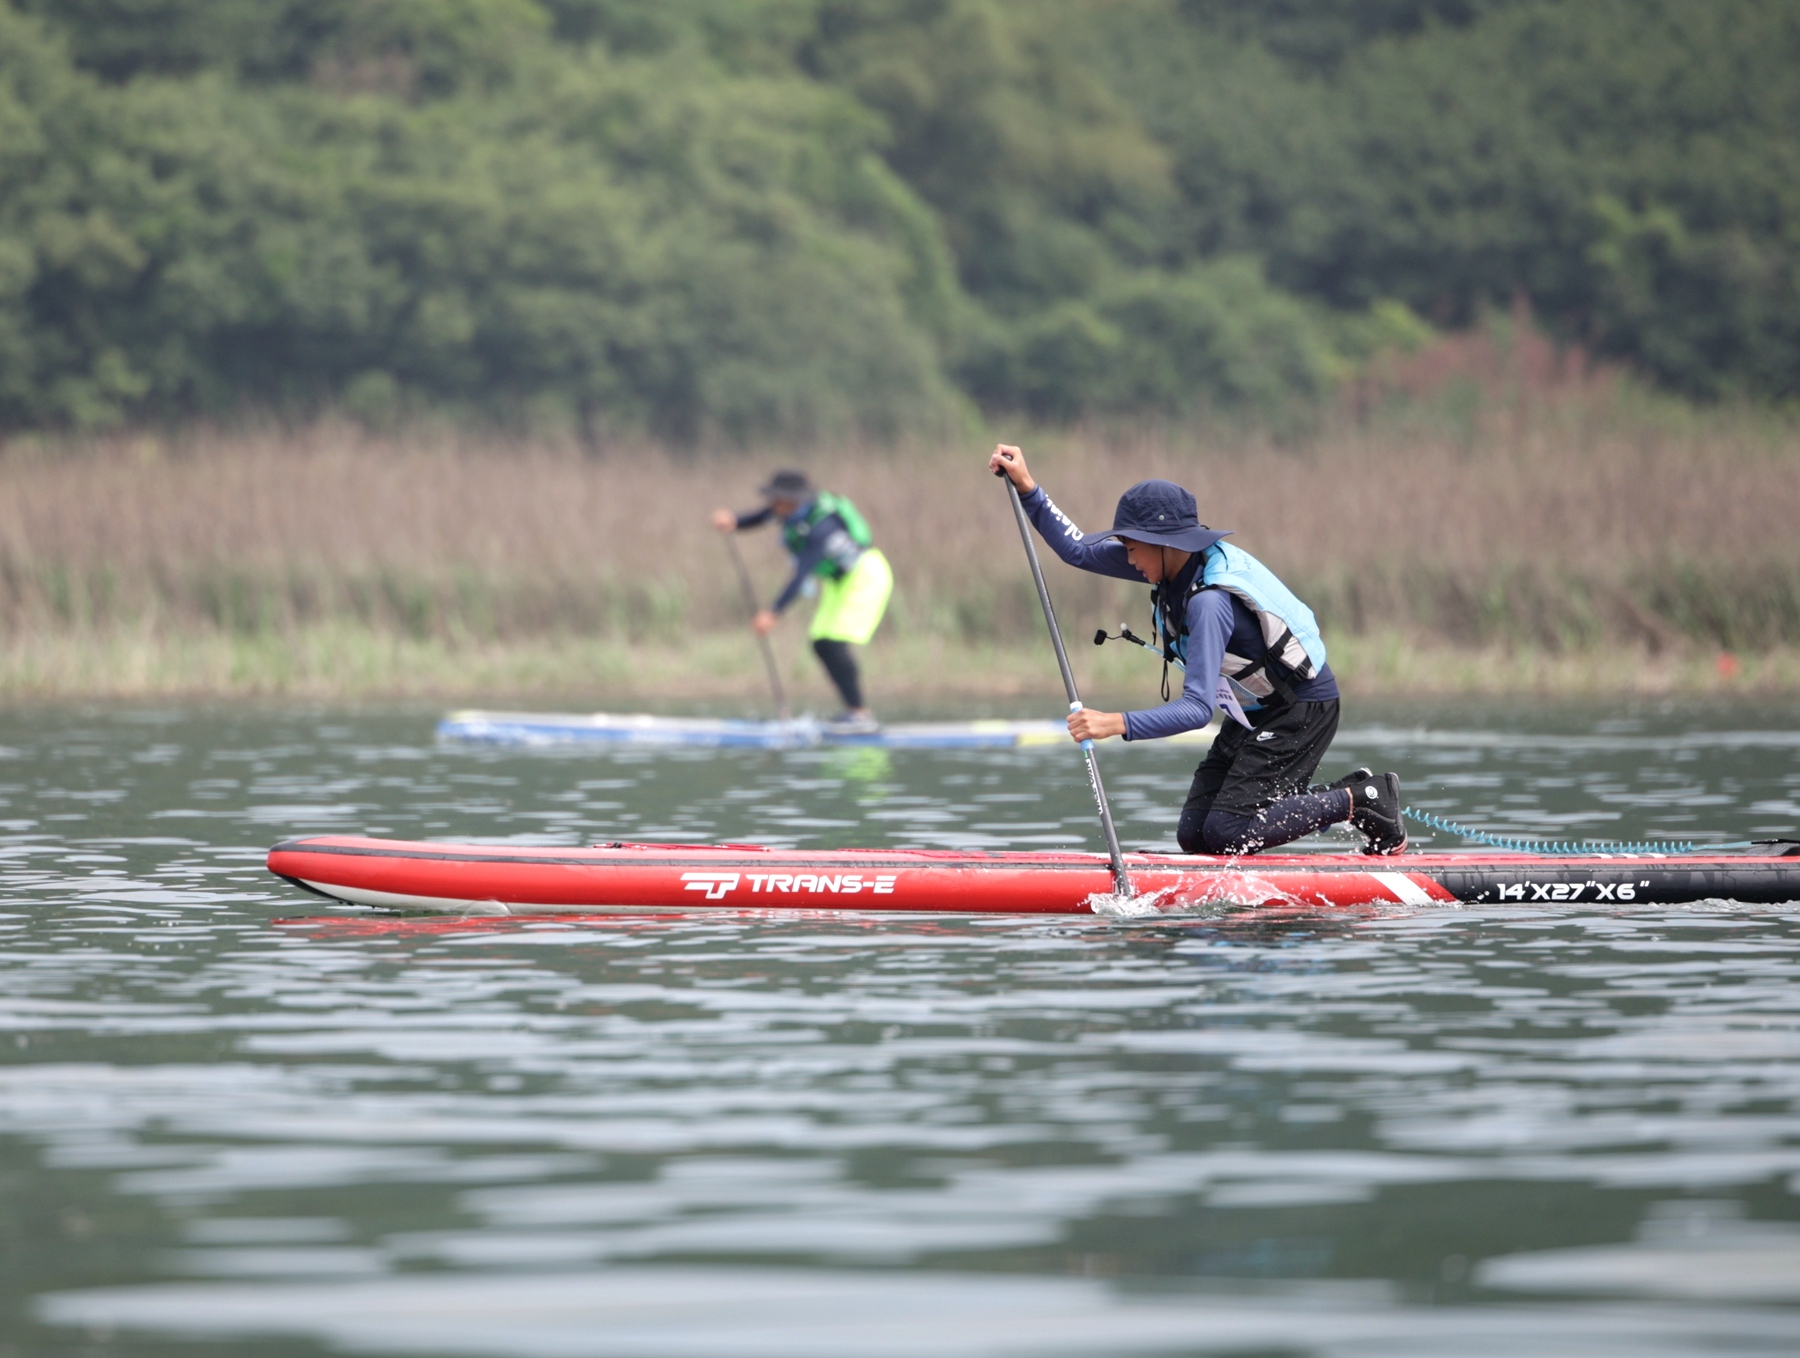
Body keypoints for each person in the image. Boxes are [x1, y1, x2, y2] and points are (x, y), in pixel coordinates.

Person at [987, 444, 1406, 856]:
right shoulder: (1171, 562)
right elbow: (1077, 550)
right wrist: (1027, 487)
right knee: (1194, 835)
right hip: (1255, 712)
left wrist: (1113, 722)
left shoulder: (1209, 602)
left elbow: (1196, 711)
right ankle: (1341, 795)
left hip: (1302, 710)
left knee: (1227, 831)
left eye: (1132, 547)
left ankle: (1363, 798)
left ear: (1165, 543)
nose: (1128, 560)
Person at [712, 470, 893, 732]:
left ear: (792, 500)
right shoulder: (790, 511)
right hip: (839, 582)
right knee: (821, 642)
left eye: (776, 498)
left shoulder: (822, 526)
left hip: (866, 576)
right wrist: (734, 522)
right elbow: (762, 517)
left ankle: (860, 715)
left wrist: (773, 613)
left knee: (832, 642)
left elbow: (802, 574)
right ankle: (855, 712)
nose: (772, 504)